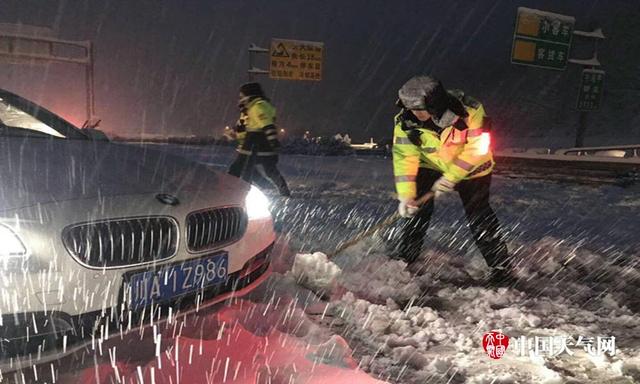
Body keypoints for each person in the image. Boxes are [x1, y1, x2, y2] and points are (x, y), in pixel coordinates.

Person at [390, 75, 514, 286]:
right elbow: (404, 159)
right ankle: (407, 258)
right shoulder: (405, 123)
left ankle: (500, 267)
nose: (415, 114)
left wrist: (451, 178)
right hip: (431, 167)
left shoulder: (471, 111)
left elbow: (477, 149)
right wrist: (406, 195)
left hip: (473, 170)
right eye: (410, 109)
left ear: (435, 104)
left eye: (419, 109)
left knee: (479, 215)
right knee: (417, 211)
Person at [228, 82, 290, 197]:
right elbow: (245, 127)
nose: (240, 99)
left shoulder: (257, 107)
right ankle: (272, 189)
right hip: (252, 144)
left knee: (240, 168)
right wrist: (237, 135)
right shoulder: (249, 108)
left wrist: (273, 140)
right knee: (261, 169)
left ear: (249, 95)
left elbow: (267, 124)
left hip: (256, 144)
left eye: (242, 96)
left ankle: (232, 191)